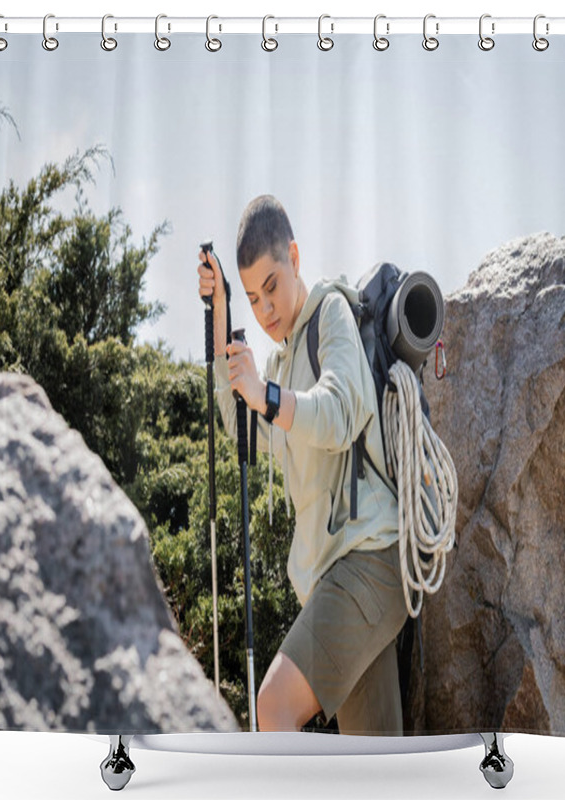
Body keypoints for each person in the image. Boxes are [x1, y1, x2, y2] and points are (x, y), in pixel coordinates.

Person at [197, 194, 409, 736]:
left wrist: (268, 395)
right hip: (335, 577)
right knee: (377, 764)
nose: (265, 310)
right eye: (251, 298)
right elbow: (243, 432)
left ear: (294, 257)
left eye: (271, 286)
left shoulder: (330, 313)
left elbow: (340, 411)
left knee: (273, 708)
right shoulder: (281, 361)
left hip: (367, 560)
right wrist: (221, 316)